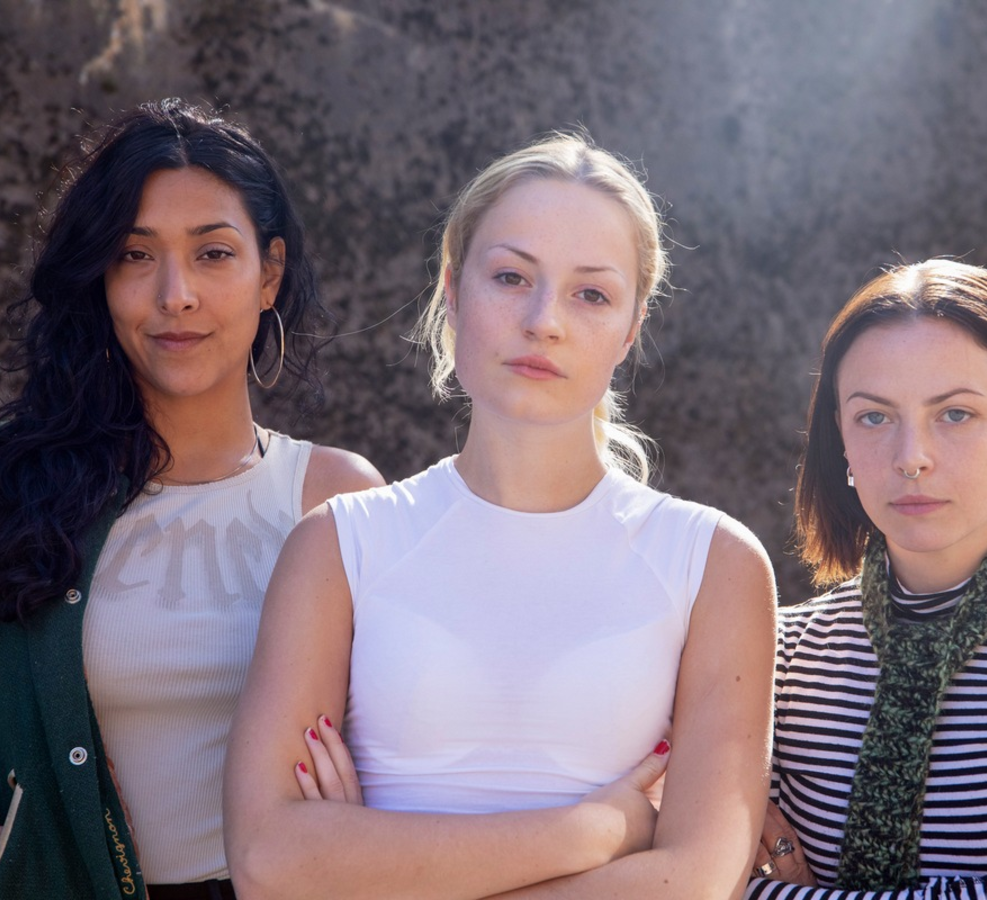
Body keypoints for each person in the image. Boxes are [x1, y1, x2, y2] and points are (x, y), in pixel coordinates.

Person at [224, 133, 778, 899]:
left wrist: (366, 873)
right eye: (512, 277)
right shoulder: (341, 543)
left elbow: (694, 882)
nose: (544, 320)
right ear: (453, 291)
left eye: (591, 294)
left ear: (632, 327)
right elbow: (267, 861)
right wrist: (591, 831)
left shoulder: (713, 562)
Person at [0, 99, 382, 900]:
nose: (176, 294)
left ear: (269, 274)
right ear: (99, 277)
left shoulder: (342, 500)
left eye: (213, 254)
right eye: (135, 255)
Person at [746, 260, 987, 900]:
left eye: (956, 414)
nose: (911, 457)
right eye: (874, 417)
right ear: (841, 439)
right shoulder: (772, 656)